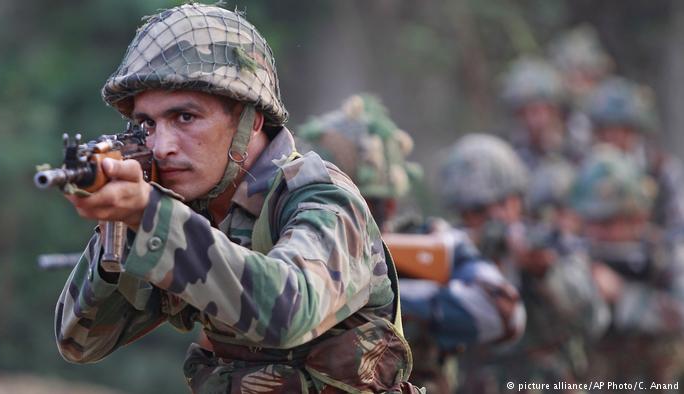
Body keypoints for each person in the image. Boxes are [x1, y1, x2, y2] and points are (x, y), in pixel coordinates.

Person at [54, 5, 421, 393]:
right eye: (147, 123)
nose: (161, 146)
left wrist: (149, 216)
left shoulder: (319, 196)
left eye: (185, 117)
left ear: (252, 119)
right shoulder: (191, 206)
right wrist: (123, 226)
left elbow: (288, 310)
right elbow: (81, 342)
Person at [298, 95, 525, 393]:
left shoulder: (431, 242)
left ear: (387, 206)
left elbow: (504, 315)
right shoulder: (288, 244)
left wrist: (389, 294)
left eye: (346, 201)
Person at [439, 134, 604, 393]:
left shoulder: (552, 245)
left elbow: (594, 318)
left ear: (520, 200)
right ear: (461, 212)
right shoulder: (450, 250)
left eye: (504, 203)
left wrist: (545, 273)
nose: (495, 217)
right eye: (479, 210)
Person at [569, 145, 684, 390]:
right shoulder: (574, 256)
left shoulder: (665, 256)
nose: (600, 233)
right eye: (593, 222)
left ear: (639, 218)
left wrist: (623, 295)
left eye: (611, 221)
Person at [586, 76, 684, 233]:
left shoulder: (662, 170)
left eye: (621, 130)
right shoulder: (588, 169)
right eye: (604, 130)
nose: (611, 137)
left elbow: (679, 224)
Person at [500, 56, 586, 169]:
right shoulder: (515, 153)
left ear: (555, 111)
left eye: (536, 111)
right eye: (522, 113)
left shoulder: (579, 142)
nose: (531, 120)